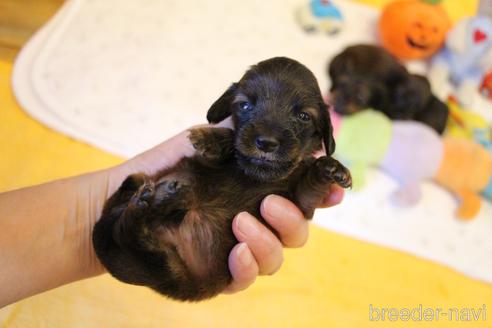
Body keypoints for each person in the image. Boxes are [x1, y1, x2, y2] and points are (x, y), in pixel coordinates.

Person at [0, 119, 344, 307]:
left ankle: (139, 223)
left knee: (286, 205)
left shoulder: (301, 157)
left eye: (300, 116)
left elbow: (301, 199)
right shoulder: (239, 133)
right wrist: (219, 139)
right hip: (175, 205)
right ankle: (138, 220)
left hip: (196, 253)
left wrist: (318, 178)